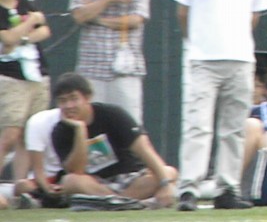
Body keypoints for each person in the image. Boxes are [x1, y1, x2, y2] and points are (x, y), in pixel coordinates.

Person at [171, 0, 267, 211]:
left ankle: (226, 189)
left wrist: (235, 42)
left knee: (234, 128)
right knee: (198, 126)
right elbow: (182, 12)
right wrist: (199, 43)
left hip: (241, 61)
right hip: (203, 61)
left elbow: (255, 14)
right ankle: (188, 190)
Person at [50, 72, 177, 208]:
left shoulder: (112, 114)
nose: (69, 106)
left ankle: (116, 202)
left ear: (87, 98)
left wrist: (165, 185)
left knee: (168, 172)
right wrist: (80, 130)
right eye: (63, 101)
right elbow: (77, 171)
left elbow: (145, 150)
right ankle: (127, 202)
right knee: (70, 181)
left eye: (74, 99)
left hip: (130, 178)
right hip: (96, 184)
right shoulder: (60, 131)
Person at [69, 0, 150, 123]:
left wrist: (97, 18)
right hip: (92, 69)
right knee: (91, 125)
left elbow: (136, 20)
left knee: (129, 126)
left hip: (126, 70)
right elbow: (79, 16)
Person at [0, 0, 51, 183]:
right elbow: (7, 37)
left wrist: (23, 37)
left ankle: (19, 185)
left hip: (37, 74)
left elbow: (44, 31)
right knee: (10, 134)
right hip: (11, 77)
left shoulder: (25, 3)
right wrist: (30, 23)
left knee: (29, 135)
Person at [13, 107, 66, 208]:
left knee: (72, 181)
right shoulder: (39, 122)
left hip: (69, 178)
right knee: (22, 185)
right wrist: (48, 188)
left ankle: (41, 202)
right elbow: (38, 170)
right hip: (47, 180)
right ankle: (44, 200)